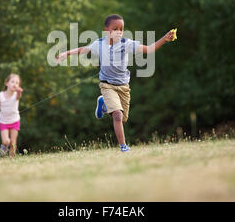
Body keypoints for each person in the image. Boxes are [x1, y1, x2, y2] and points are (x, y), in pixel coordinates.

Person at [56, 14, 175, 152]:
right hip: (107, 85)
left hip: (123, 87)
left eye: (121, 29)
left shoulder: (126, 44)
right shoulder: (99, 44)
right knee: (117, 115)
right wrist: (66, 54)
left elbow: (149, 49)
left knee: (122, 119)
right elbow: (83, 49)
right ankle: (123, 146)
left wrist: (165, 39)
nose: (119, 31)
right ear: (107, 30)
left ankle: (104, 105)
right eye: (115, 28)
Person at [0, 73, 23, 156]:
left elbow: (19, 95)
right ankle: (4, 147)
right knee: (5, 141)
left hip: (15, 121)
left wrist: (19, 91)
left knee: (13, 143)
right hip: (4, 122)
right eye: (12, 82)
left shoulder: (16, 94)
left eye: (17, 83)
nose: (15, 84)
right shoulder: (0, 95)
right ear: (6, 83)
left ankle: (11, 161)